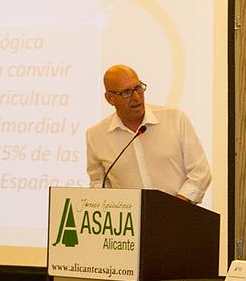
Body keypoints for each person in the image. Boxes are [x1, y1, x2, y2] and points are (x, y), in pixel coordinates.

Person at [85, 64, 212, 204]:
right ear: (110, 98)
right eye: (126, 92)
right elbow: (99, 183)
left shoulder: (175, 119)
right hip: (130, 223)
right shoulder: (96, 136)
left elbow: (200, 172)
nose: (136, 97)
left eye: (138, 88)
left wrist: (176, 207)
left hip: (180, 217)